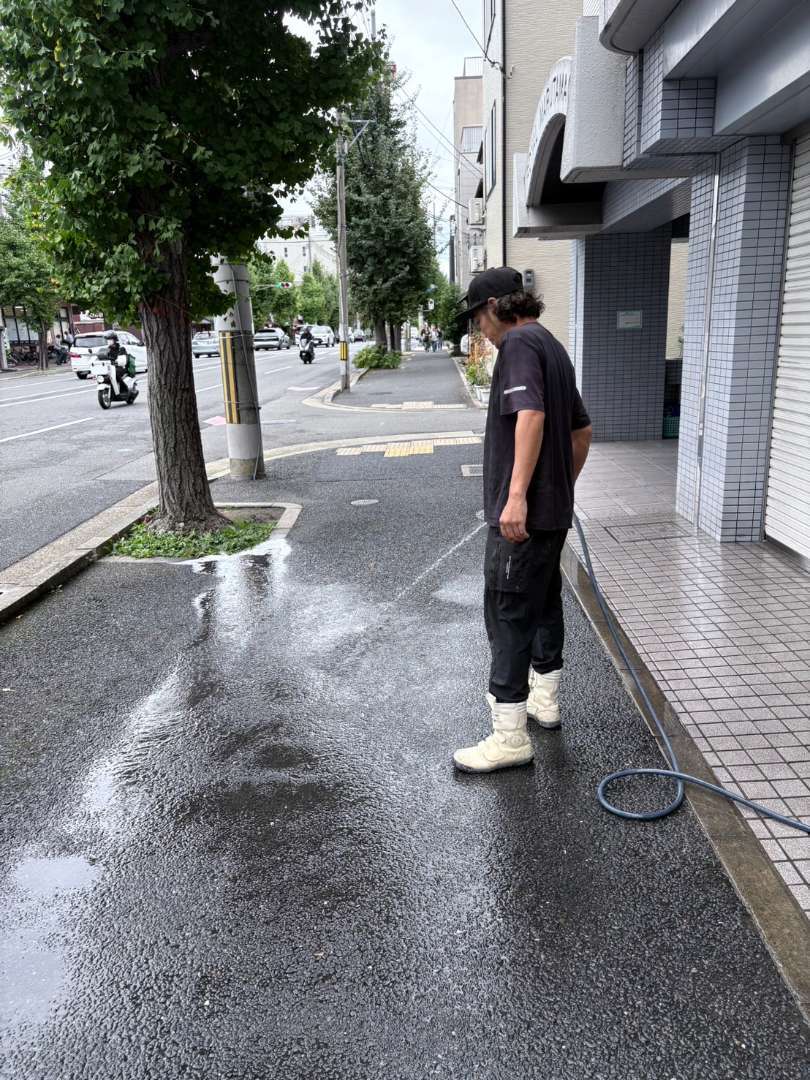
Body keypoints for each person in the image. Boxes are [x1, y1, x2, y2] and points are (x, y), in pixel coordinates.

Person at [452, 267, 592, 774]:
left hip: (523, 519)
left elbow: (530, 415)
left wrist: (517, 497)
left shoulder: (517, 344)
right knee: (543, 600)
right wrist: (558, 486)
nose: (480, 331)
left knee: (508, 610)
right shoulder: (552, 346)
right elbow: (581, 431)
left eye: (477, 318)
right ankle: (544, 700)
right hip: (550, 513)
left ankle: (509, 737)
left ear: (494, 307)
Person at [104, 332, 133, 398]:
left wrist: (117, 362)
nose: (108, 341)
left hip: (121, 367)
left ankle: (124, 389)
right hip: (110, 367)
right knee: (104, 375)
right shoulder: (107, 349)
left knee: (116, 374)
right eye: (107, 340)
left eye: (110, 340)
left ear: (114, 340)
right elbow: (102, 357)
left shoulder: (121, 348)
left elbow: (123, 359)